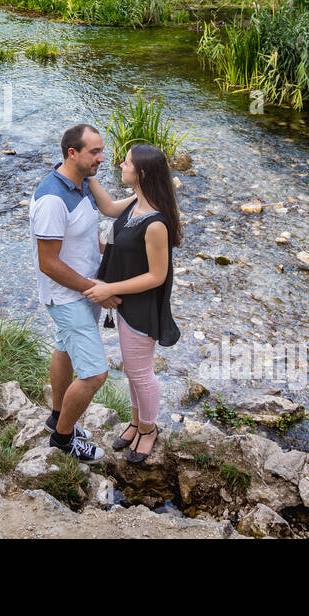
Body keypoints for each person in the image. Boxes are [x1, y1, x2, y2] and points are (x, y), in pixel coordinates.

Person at [83, 143, 183, 463]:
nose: (120, 166)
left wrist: (108, 287)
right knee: (133, 370)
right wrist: (87, 173)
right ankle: (136, 423)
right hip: (128, 303)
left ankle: (149, 429)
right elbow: (110, 209)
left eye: (125, 163)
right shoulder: (136, 202)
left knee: (140, 374)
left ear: (140, 174)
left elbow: (157, 275)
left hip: (141, 306)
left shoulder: (155, 223)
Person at [30, 123, 120, 463]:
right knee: (96, 373)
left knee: (64, 348)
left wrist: (147, 198)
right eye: (94, 152)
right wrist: (97, 290)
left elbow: (95, 226)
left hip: (84, 289)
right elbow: (48, 263)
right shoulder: (52, 199)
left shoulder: (83, 181)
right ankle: (63, 438)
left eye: (101, 150)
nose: (102, 157)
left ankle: (57, 414)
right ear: (73, 153)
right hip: (69, 296)